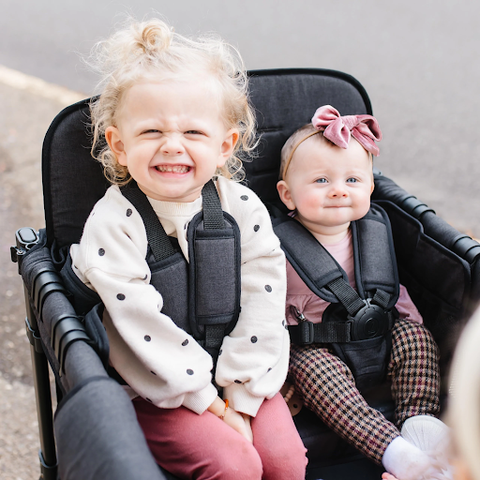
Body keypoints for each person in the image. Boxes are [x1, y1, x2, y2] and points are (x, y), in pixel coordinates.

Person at [69, 17, 307, 480]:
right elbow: (139, 326)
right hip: (161, 387)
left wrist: (240, 393)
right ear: (119, 145)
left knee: (284, 461)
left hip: (245, 370)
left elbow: (264, 295)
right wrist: (213, 407)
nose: (172, 147)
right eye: (152, 132)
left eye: (193, 134)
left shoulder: (240, 206)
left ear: (225, 146)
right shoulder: (115, 223)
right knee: (234, 465)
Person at [276, 105, 449, 480]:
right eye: (321, 181)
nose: (339, 189)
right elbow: (262, 310)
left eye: (353, 180)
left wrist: (406, 324)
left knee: (417, 337)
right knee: (315, 369)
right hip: (317, 350)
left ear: (371, 187)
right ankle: (395, 451)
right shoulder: (275, 246)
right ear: (287, 195)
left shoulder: (373, 229)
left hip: (379, 336)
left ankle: (420, 423)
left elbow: (392, 288)